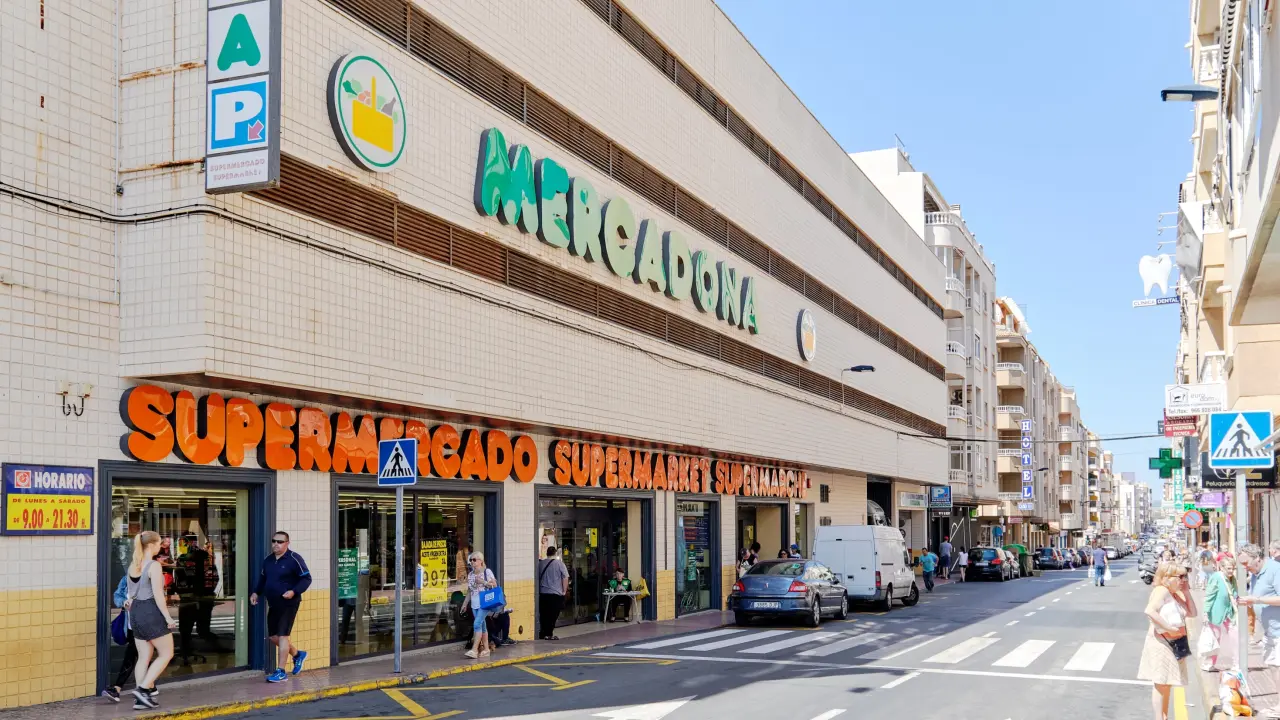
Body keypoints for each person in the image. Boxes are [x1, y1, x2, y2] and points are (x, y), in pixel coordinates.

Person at [125, 531, 177, 710]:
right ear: (152, 545)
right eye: (159, 543)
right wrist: (168, 617)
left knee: (143, 657)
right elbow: (158, 596)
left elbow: (131, 594)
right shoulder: (154, 565)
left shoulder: (133, 565)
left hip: (135, 612)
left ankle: (140, 700)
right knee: (167, 653)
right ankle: (143, 689)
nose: (160, 547)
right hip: (150, 611)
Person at [250, 531, 312, 683]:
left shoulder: (294, 559)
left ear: (287, 543)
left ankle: (281, 671)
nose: (276, 544)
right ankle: (297, 654)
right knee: (273, 637)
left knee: (283, 635)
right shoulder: (268, 560)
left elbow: (306, 579)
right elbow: (263, 579)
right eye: (274, 541)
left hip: (289, 603)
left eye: (280, 542)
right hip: (273, 603)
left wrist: (294, 591)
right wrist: (256, 592)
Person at [1137, 562, 1195, 720]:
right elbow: (1150, 611)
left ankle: (1164, 716)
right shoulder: (1161, 590)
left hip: (1173, 644)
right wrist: (1169, 628)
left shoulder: (1173, 593)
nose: (1184, 579)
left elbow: (1192, 613)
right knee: (1161, 682)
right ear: (1167, 577)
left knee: (1167, 682)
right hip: (1162, 643)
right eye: (1180, 576)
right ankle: (1160, 717)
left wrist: (1186, 592)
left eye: (1185, 576)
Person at [1239, 542, 1280, 696]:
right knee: (1273, 666)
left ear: (1257, 558)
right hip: (1270, 631)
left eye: (1246, 562)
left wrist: (1257, 600)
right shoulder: (1256, 574)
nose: (1244, 567)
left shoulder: (1275, 570)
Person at [101, 575, 140, 703]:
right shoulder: (126, 579)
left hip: (144, 626)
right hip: (130, 626)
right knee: (138, 656)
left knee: (132, 656)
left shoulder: (149, 577)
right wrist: (124, 602)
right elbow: (117, 596)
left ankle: (117, 689)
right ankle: (149, 687)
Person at [1200, 552, 1237, 672]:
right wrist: (1205, 613)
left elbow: (1235, 593)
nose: (1231, 571)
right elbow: (1209, 596)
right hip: (1216, 612)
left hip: (1230, 612)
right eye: (1229, 568)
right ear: (1222, 567)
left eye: (1233, 568)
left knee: (1235, 636)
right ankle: (1209, 663)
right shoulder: (1216, 577)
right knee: (1215, 638)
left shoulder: (1232, 579)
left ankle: (1237, 663)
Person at [464, 551, 497, 659]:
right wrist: (465, 604)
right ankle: (486, 649)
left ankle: (474, 650)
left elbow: (494, 585)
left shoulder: (487, 572)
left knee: (477, 624)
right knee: (482, 626)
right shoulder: (470, 575)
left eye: (474, 560)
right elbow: (470, 590)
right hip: (474, 604)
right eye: (471, 560)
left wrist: (483, 582)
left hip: (484, 603)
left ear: (481, 561)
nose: (472, 562)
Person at [538, 545, 569, 641]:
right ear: (555, 553)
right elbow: (565, 578)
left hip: (543, 593)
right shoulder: (560, 564)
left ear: (547, 553)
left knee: (544, 614)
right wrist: (564, 591)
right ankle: (549, 634)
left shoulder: (541, 563)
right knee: (553, 615)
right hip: (555, 594)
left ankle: (543, 633)